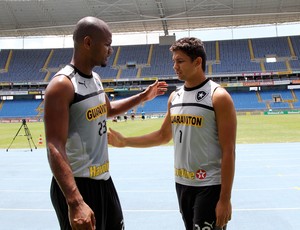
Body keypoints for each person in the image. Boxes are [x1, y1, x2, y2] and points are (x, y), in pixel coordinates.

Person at [44, 16, 167, 230]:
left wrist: (142, 97)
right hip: (79, 186)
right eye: (107, 45)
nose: (110, 50)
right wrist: (75, 201)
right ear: (88, 42)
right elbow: (54, 145)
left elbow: (108, 110)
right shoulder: (62, 85)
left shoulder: (96, 79)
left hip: (104, 181)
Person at [108, 37, 236, 230]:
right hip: (182, 184)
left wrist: (225, 199)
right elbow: (162, 135)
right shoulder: (174, 97)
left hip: (209, 185)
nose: (175, 66)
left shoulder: (218, 97)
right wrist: (125, 141)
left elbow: (229, 151)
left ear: (198, 62)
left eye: (180, 61)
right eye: (174, 61)